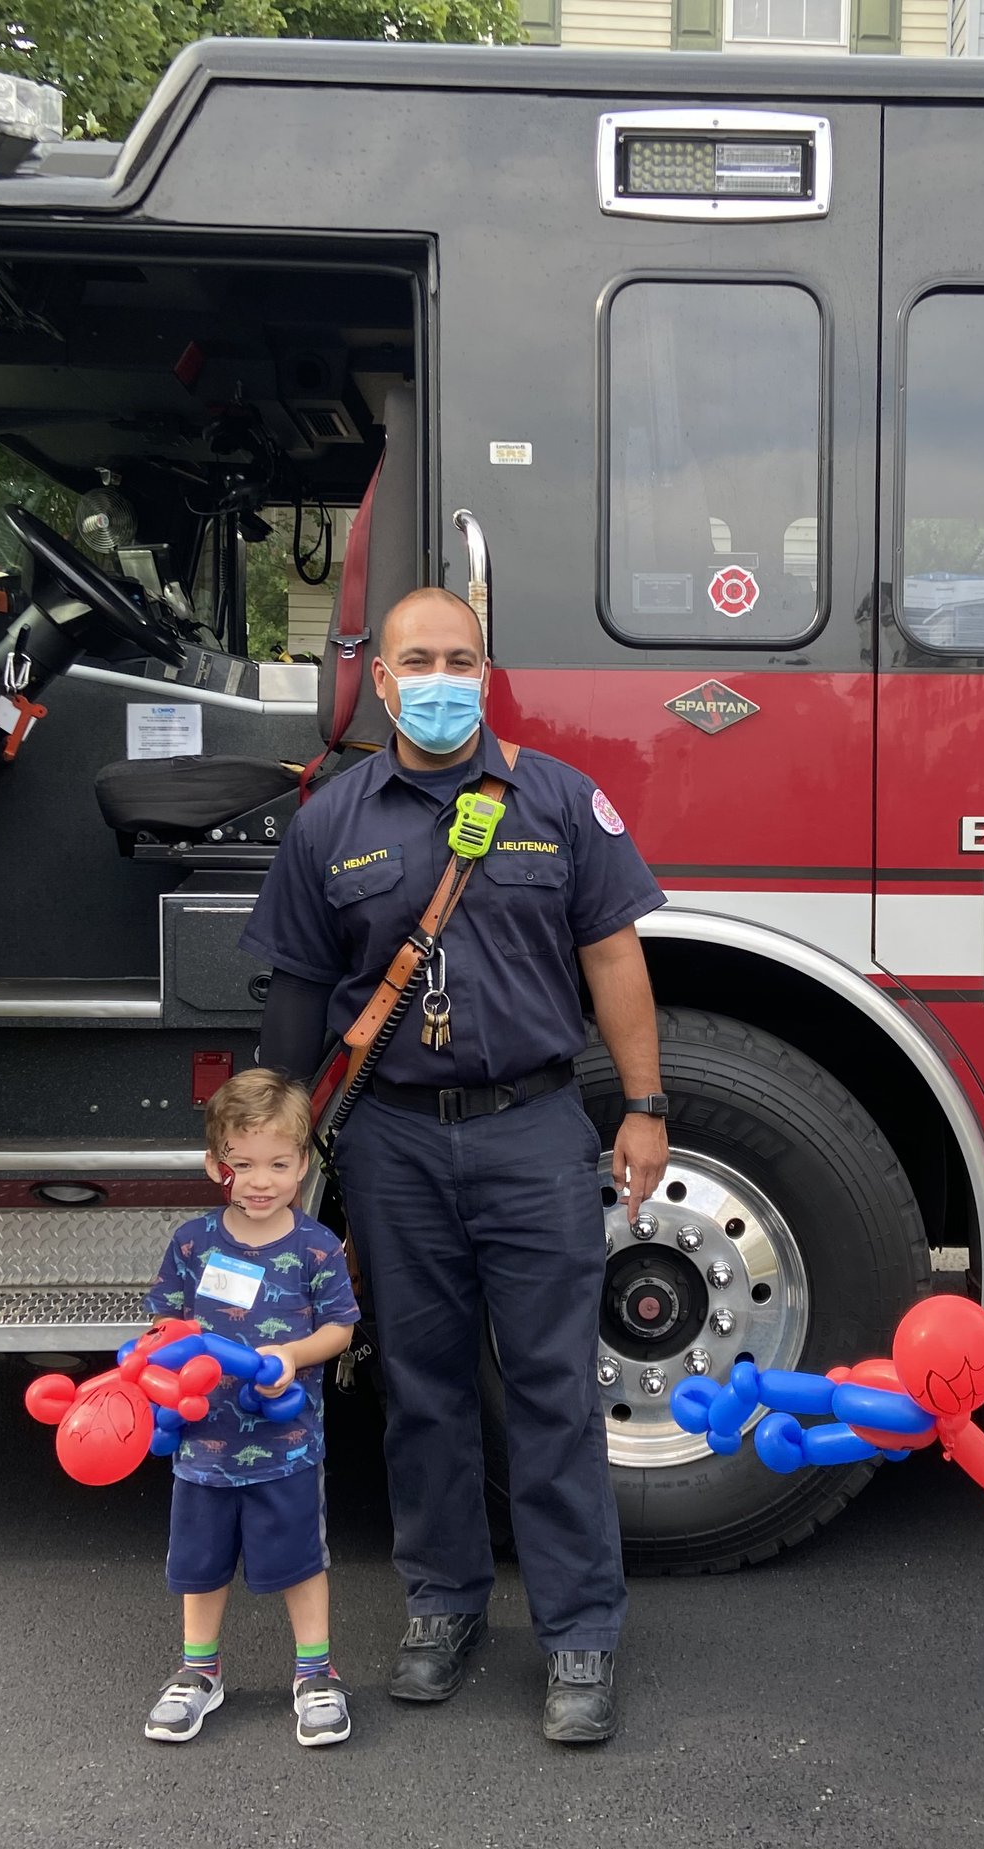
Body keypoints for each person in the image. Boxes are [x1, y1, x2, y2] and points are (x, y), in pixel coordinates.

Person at [241, 586, 669, 1745]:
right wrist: (273, 1151)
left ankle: (579, 1631)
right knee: (419, 1389)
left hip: (534, 1130)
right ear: (380, 682)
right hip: (391, 1139)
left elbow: (615, 956)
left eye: (461, 658)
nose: (441, 676)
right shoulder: (330, 820)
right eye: (416, 659)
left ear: (488, 673)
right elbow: (294, 992)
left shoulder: (560, 800)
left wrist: (643, 1105)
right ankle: (442, 1607)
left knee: (549, 1389)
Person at [139, 1069, 360, 1749]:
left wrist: (293, 1355)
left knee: (299, 1559)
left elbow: (341, 1329)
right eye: (243, 1163)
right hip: (201, 1447)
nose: (261, 1179)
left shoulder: (316, 1246)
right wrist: (157, 1363)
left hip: (288, 1443)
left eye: (280, 1163)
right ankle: (199, 1672)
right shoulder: (192, 1242)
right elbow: (162, 1326)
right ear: (216, 1165)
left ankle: (316, 1674)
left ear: (302, 1165)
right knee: (198, 1564)